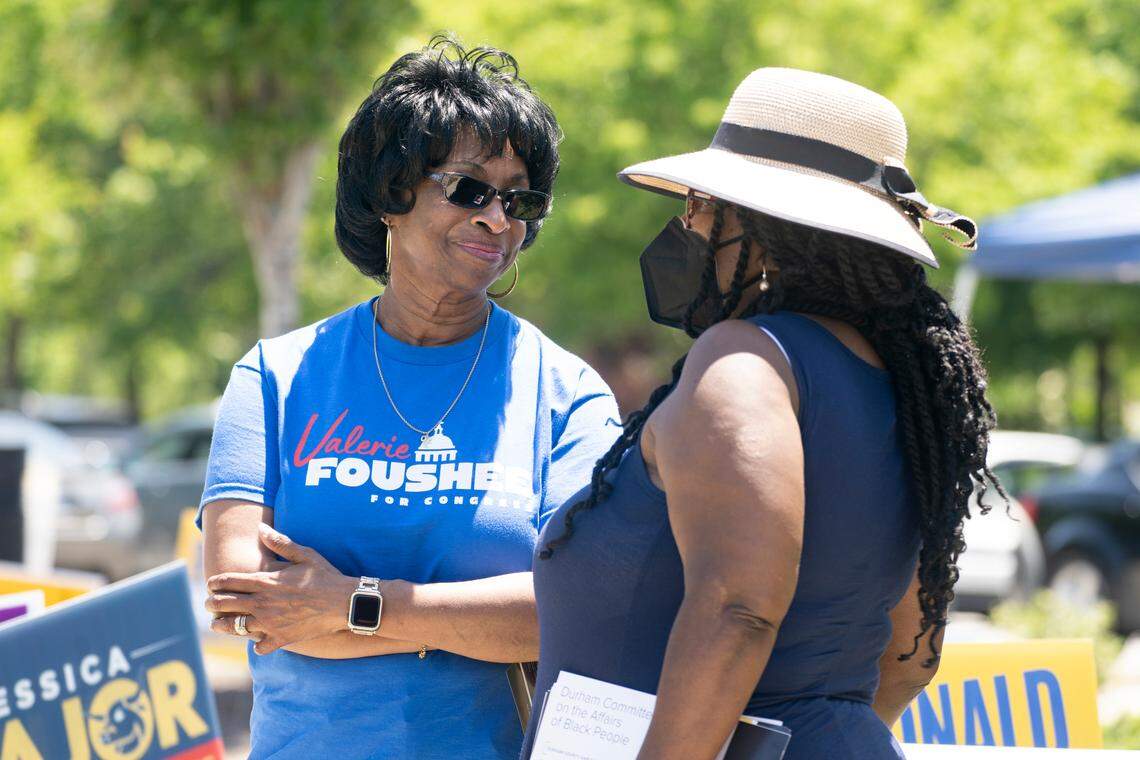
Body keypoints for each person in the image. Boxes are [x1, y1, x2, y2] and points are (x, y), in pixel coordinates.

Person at [523, 67, 1001, 759]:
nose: (686, 218)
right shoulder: (891, 382)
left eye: (704, 199)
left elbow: (737, 609)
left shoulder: (744, 362)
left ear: (767, 225)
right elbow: (909, 655)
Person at [198, 36, 620, 759]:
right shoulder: (275, 376)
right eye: (468, 189)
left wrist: (352, 605)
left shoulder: (568, 394)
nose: (499, 218)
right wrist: (465, 621)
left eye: (520, 198)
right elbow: (249, 603)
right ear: (390, 193)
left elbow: (579, 618)